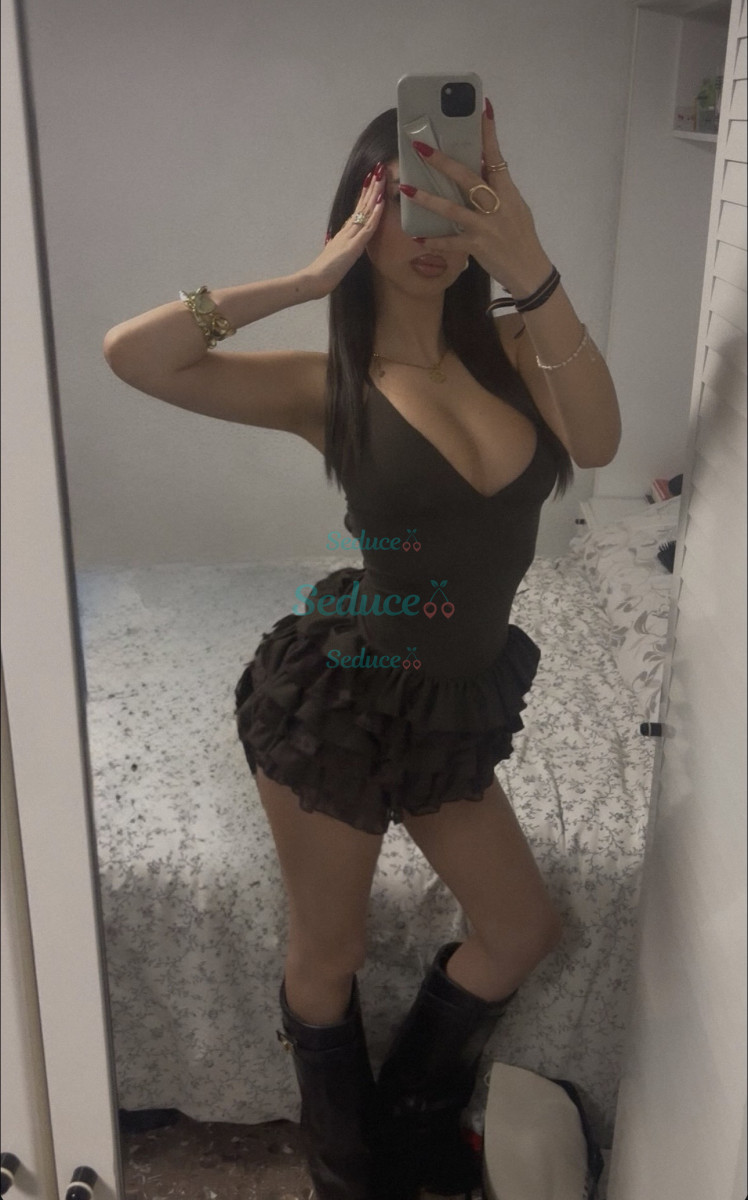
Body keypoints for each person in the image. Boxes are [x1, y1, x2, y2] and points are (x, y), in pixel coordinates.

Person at [103, 98, 621, 1200]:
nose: (432, 233)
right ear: (363, 213)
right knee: (328, 953)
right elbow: (133, 356)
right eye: (406, 203)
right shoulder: (324, 381)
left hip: (450, 703)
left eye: (456, 201)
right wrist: (304, 281)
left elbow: (601, 439)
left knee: (521, 929)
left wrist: (528, 259)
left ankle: (409, 1122)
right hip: (341, 705)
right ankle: (349, 1175)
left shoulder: (519, 346)